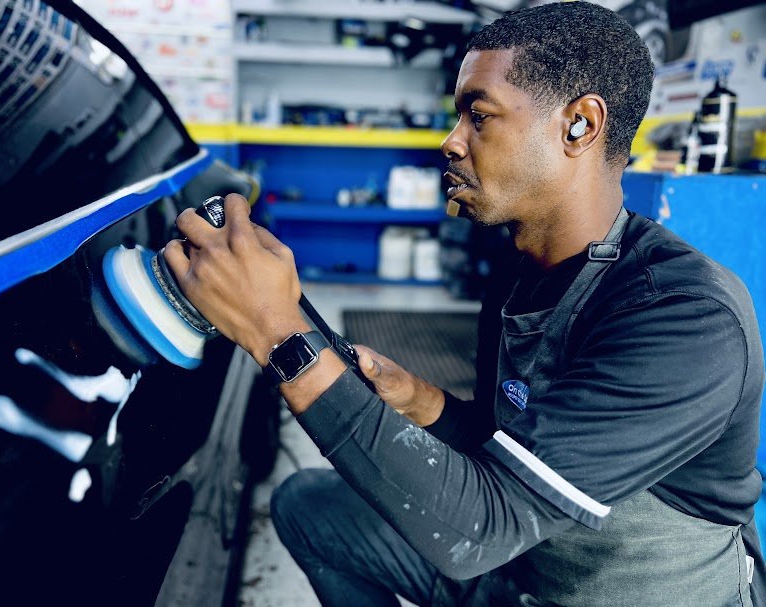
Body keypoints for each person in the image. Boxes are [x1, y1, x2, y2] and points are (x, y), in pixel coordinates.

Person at [163, 2, 765, 605]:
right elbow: (514, 448)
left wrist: (277, 333)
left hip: (592, 583)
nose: (451, 142)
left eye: (479, 117)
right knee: (309, 507)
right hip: (521, 572)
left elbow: (483, 527)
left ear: (580, 124)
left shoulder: (685, 316)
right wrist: (425, 404)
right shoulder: (520, 270)